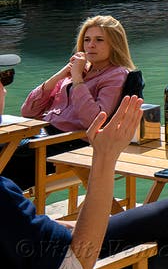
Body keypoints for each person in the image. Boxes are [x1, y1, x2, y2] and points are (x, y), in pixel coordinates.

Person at [1, 88, 168, 269]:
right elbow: (73, 263)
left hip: (46, 242)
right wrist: (105, 156)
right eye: (3, 78)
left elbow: (19, 228)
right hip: (67, 254)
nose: (4, 89)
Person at [4, 16, 136, 190]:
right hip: (46, 136)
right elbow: (28, 111)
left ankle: (10, 211)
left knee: (10, 158)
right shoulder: (80, 70)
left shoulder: (115, 75)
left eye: (99, 40)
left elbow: (95, 121)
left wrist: (77, 80)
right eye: (87, 40)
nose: (91, 45)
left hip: (73, 144)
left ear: (114, 44)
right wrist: (60, 75)